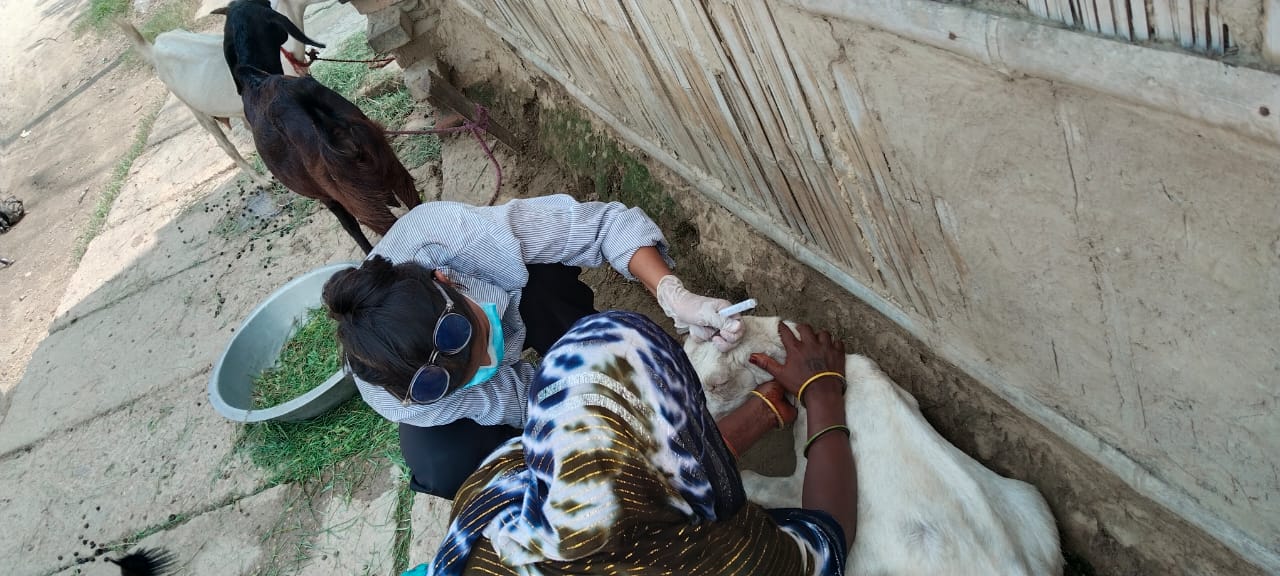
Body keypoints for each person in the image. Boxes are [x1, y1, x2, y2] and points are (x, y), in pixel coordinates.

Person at [323, 195, 746, 499]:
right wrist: (587, 425)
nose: (491, 360)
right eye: (474, 372)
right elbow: (518, 400)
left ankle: (596, 353)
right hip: (462, 413)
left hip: (524, 295)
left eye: (481, 341)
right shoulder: (404, 396)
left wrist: (673, 294)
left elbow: (604, 225)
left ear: (445, 280)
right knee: (443, 464)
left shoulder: (463, 238)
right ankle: (547, 489)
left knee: (544, 285)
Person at [402, 311, 856, 575]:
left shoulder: (495, 482)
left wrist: (762, 411)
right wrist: (822, 392)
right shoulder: (687, 561)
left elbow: (636, 471)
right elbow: (822, 543)